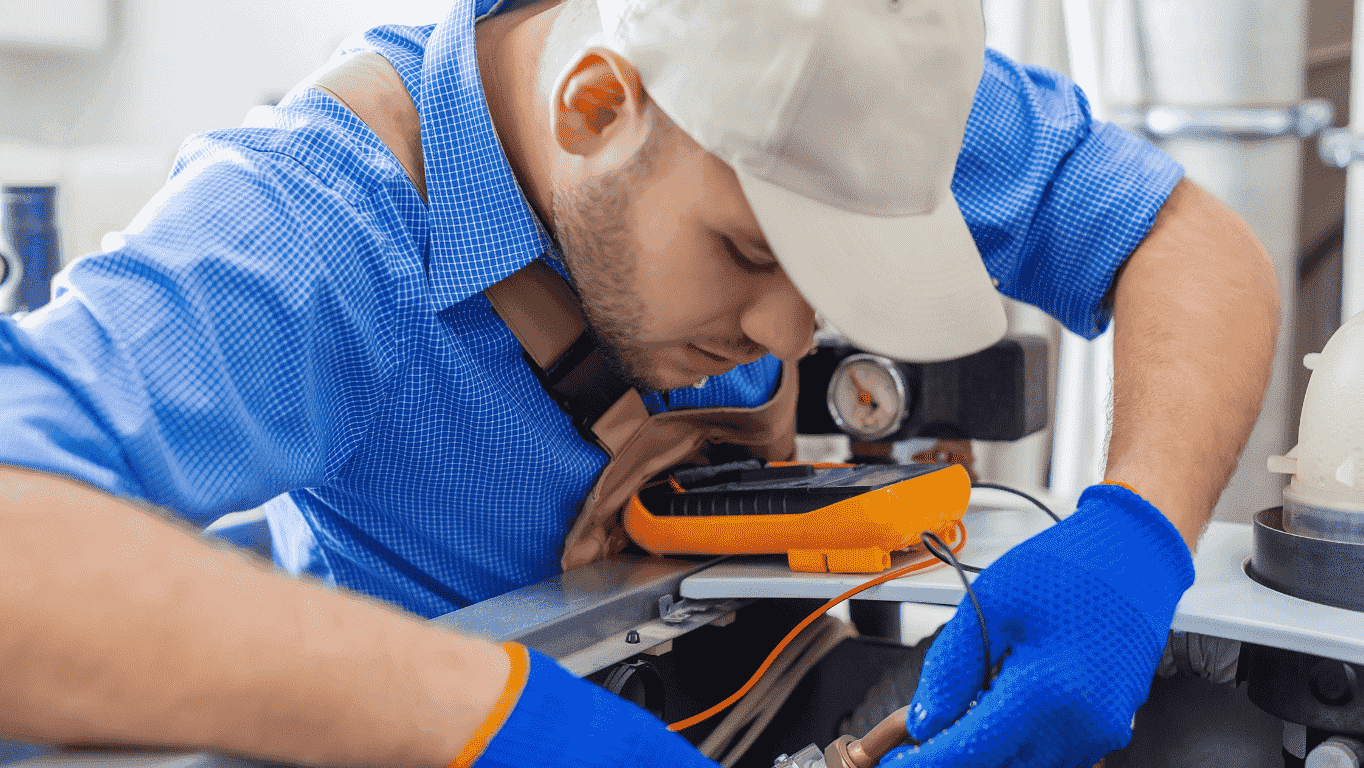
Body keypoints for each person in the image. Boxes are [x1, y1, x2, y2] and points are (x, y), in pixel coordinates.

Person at [0, 0, 1279, 765]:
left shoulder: (834, 75)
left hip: (763, 700)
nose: (787, 325)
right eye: (746, 249)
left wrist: (1134, 533)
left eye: (827, 267)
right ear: (597, 105)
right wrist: (501, 723)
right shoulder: (307, 228)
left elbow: (1183, 241)